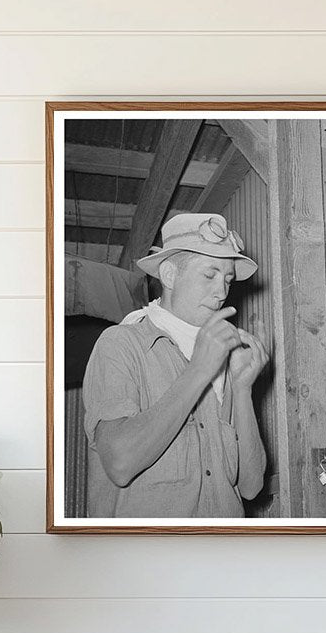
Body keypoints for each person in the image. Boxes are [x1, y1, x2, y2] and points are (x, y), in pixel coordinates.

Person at [82, 212, 269, 518]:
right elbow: (120, 464)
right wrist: (199, 370)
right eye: (209, 275)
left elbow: (251, 486)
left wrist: (242, 389)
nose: (222, 292)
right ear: (169, 275)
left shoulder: (226, 356)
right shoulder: (121, 344)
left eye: (227, 280)